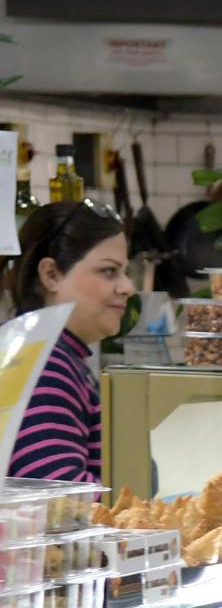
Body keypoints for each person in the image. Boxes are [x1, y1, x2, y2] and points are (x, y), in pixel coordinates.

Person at [5, 202, 128, 482]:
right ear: (51, 274)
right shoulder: (45, 367)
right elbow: (56, 499)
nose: (127, 287)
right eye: (109, 271)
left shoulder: (48, 354)